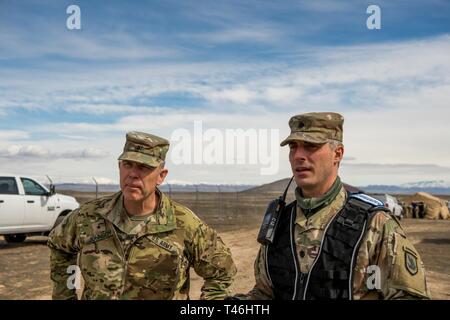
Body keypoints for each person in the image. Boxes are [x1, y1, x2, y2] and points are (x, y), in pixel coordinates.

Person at [233, 112, 430, 300]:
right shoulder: (279, 221)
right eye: (293, 146)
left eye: (310, 146)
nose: (298, 155)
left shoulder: (374, 224)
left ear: (338, 153)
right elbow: (265, 292)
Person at [48, 131, 236, 300]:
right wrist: (65, 294)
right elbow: (60, 247)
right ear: (119, 167)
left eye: (144, 167)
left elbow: (221, 272)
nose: (132, 174)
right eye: (127, 165)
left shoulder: (184, 224)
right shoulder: (87, 217)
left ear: (161, 176)